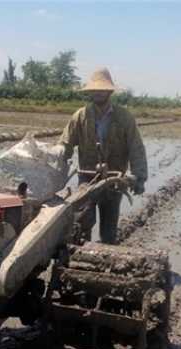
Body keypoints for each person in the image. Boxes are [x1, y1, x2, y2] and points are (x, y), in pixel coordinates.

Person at [58, 67, 148, 244]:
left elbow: (136, 147)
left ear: (109, 91)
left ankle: (106, 260)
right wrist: (54, 166)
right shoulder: (81, 116)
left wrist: (139, 177)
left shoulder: (124, 117)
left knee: (108, 230)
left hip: (114, 180)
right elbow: (65, 144)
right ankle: (79, 261)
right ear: (90, 92)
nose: (98, 92)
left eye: (102, 89)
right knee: (82, 223)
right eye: (95, 90)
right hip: (87, 179)